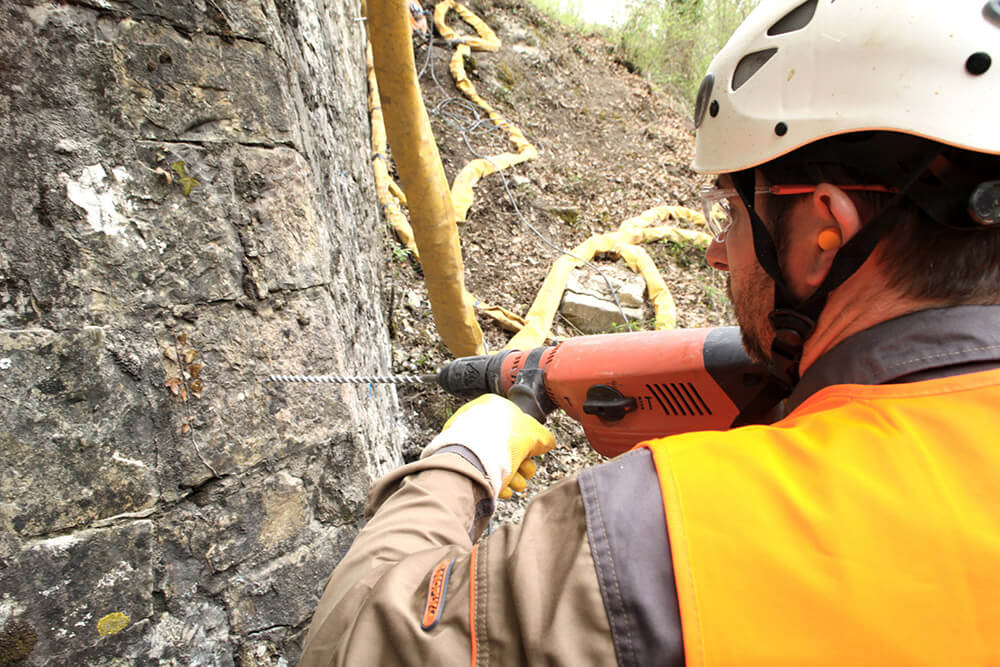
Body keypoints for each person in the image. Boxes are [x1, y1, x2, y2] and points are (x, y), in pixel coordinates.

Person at [300, 0, 1000, 663]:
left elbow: (355, 639)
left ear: (825, 234)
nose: (715, 252)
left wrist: (462, 459)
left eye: (732, 210)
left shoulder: (667, 537)